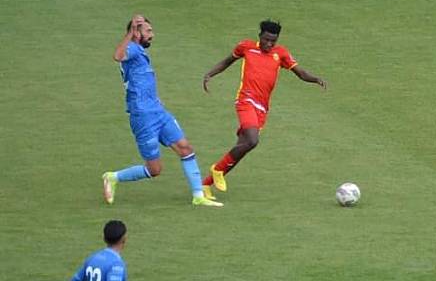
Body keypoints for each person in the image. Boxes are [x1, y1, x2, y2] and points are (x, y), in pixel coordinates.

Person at [102, 15, 222, 207]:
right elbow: (117, 56)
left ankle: (198, 195)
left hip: (158, 112)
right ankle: (113, 177)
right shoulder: (131, 49)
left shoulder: (139, 51)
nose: (152, 35)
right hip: (142, 117)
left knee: (185, 148)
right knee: (154, 169)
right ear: (136, 33)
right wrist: (129, 34)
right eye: (148, 31)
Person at [201, 20, 326, 200]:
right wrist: (210, 74)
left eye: (273, 41)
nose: (269, 44)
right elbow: (227, 61)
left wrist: (316, 79)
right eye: (266, 39)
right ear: (260, 36)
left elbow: (300, 72)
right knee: (252, 140)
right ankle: (217, 170)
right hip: (246, 101)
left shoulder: (280, 53)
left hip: (262, 108)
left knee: (242, 148)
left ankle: (205, 185)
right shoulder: (246, 47)